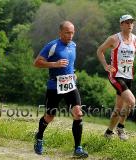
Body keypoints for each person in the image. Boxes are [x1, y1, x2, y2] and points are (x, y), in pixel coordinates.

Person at [33, 21, 88, 158]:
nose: (70, 35)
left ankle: (77, 149)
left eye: (72, 33)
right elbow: (37, 62)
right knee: (49, 116)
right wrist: (54, 64)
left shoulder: (73, 45)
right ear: (60, 32)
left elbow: (70, 63)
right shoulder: (52, 46)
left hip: (70, 85)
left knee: (78, 113)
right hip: (54, 86)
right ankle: (39, 137)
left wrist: (73, 72)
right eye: (67, 32)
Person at [97, 14, 136, 140]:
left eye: (131, 22)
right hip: (115, 75)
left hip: (128, 76)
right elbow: (99, 50)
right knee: (131, 102)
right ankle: (121, 128)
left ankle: (108, 132)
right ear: (121, 24)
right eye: (127, 22)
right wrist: (105, 65)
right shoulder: (114, 39)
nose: (130, 25)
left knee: (119, 108)